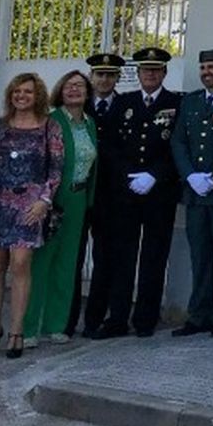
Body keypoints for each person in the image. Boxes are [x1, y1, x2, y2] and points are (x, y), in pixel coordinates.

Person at [87, 46, 181, 339]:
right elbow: (109, 145)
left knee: (154, 256)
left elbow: (178, 145)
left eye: (156, 70)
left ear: (164, 73)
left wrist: (155, 174)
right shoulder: (123, 103)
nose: (150, 74)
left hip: (159, 193)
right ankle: (117, 318)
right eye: (145, 69)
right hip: (125, 193)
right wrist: (128, 175)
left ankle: (145, 319)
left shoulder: (176, 102)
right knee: (122, 256)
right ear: (138, 73)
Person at [0, 73, 64, 359]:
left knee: (20, 263)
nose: (21, 96)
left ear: (37, 94)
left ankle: (17, 330)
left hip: (30, 206)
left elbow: (55, 169)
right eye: (16, 91)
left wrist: (44, 200)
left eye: (27, 91)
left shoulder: (49, 127)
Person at [21, 70, 98, 345]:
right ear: (60, 91)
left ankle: (55, 324)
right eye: (68, 86)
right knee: (42, 263)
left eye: (79, 86)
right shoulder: (51, 121)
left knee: (67, 264)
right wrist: (44, 199)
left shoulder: (90, 124)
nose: (74, 90)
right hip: (52, 200)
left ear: (88, 92)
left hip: (78, 199)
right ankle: (29, 327)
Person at [169, 48, 213, 337]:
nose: (206, 73)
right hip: (196, 192)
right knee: (200, 256)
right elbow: (179, 142)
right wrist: (190, 176)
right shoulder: (191, 101)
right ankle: (199, 313)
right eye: (202, 68)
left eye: (211, 67)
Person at [70, 52, 122, 337]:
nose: (104, 80)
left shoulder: (127, 105)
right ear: (92, 77)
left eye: (110, 75)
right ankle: (66, 319)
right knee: (73, 259)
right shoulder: (78, 106)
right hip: (78, 193)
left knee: (105, 260)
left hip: (111, 196)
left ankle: (95, 320)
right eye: (100, 74)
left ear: (117, 78)